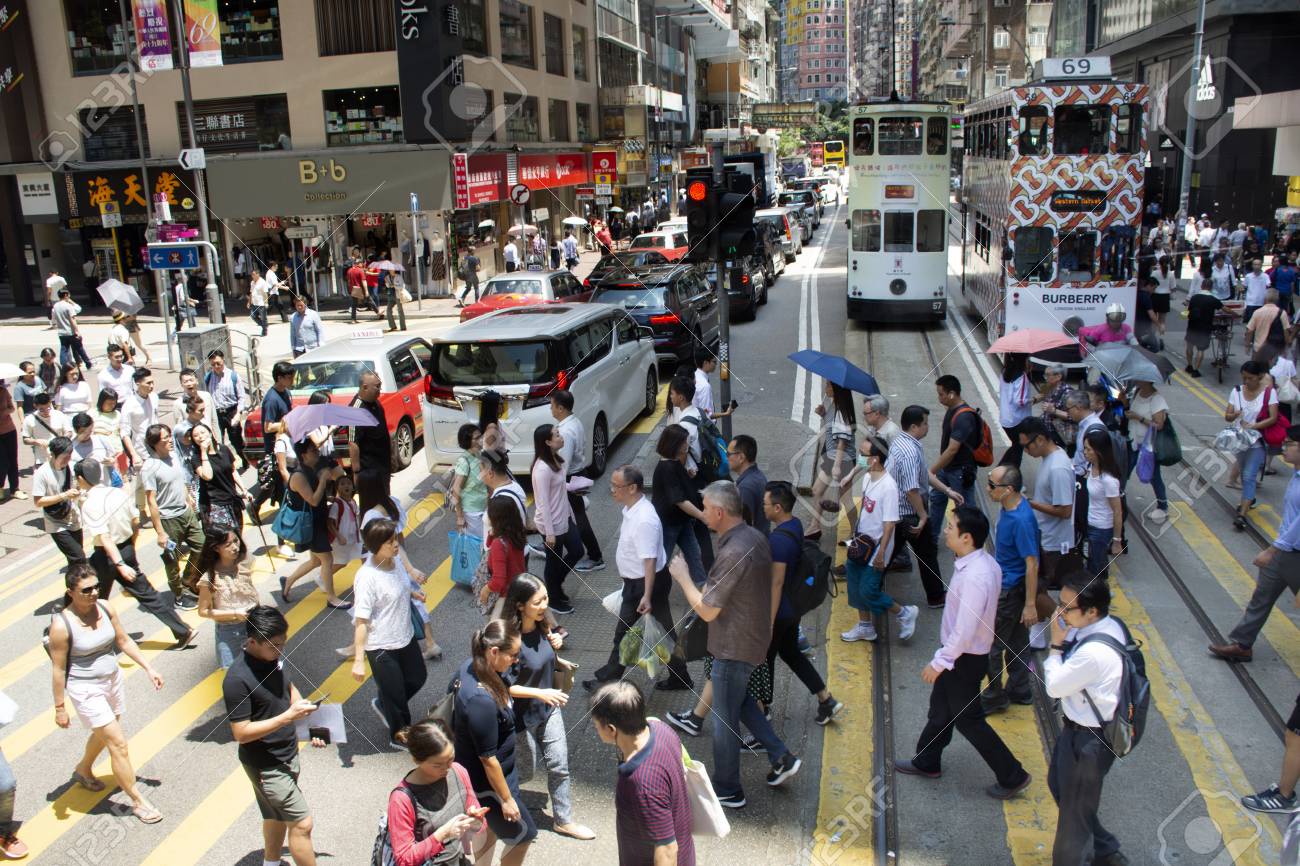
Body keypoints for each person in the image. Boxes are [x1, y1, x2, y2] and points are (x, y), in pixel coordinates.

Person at [667, 481, 803, 809]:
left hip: (733, 646)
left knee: (725, 721)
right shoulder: (754, 536)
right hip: (752, 638)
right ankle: (781, 757)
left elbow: (709, 609)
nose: (701, 514)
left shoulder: (732, 552)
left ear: (719, 512)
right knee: (739, 704)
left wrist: (683, 577)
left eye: (704, 508)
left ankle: (728, 788)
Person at [894, 507, 1032, 800]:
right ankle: (927, 761)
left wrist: (941, 661)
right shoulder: (984, 564)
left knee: (969, 720)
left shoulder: (975, 577)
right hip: (964, 656)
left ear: (966, 537)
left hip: (963, 659)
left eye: (951, 527)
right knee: (941, 710)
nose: (946, 530)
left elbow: (965, 628)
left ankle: (1012, 775)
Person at [47, 563, 165, 824]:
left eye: (96, 587)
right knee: (118, 743)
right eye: (86, 589)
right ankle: (137, 800)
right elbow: (58, 669)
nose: (93, 593)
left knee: (105, 734)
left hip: (112, 680)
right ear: (71, 592)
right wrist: (59, 707)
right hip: (85, 689)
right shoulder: (62, 625)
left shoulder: (105, 606)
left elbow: (123, 640)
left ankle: (83, 769)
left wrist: (149, 668)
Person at [222, 605, 326, 866]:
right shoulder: (236, 679)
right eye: (274, 646)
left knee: (275, 815)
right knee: (302, 824)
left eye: (283, 644)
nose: (280, 650)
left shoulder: (274, 657)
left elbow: (287, 686)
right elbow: (241, 732)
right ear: (252, 641)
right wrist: (288, 717)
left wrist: (307, 719)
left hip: (287, 753)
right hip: (266, 766)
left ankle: (270, 863)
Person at [502, 574, 595, 840]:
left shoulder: (544, 625)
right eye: (538, 601)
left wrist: (556, 645)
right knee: (525, 771)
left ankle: (563, 820)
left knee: (559, 766)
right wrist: (540, 693)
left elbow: (543, 661)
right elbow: (503, 685)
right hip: (519, 718)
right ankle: (497, 795)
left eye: (545, 598)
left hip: (548, 709)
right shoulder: (509, 638)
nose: (544, 605)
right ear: (520, 605)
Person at [1043, 577, 1128, 866]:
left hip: (1089, 740)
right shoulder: (1108, 626)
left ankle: (1090, 856)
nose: (1060, 613)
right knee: (1060, 787)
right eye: (1060, 603)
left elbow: (1054, 686)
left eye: (1067, 608)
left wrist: (1055, 646)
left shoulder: (1095, 653)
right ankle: (1105, 849)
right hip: (1078, 731)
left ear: (1092, 611)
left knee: (1072, 827)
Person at [584, 464, 685, 691]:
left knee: (623, 633)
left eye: (616, 486)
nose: (612, 490)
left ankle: (607, 680)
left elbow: (648, 560)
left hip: (645, 585)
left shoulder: (644, 519)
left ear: (632, 488)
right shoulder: (632, 509)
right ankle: (681, 676)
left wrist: (646, 596)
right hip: (639, 583)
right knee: (664, 630)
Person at [76, 458, 197, 646]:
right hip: (125, 549)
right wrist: (129, 549)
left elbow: (105, 538)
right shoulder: (118, 493)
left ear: (80, 479)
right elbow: (135, 523)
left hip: (107, 557)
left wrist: (119, 564)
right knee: (147, 595)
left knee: (86, 596)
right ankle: (183, 630)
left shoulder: (90, 504)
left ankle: (86, 641)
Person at [1208, 424, 1300, 663]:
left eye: (1290, 443)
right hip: (1285, 551)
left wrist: (1272, 550)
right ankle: (1242, 644)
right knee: (1262, 596)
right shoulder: (1296, 475)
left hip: (1293, 554)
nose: (1284, 448)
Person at [450, 620, 537, 865]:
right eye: (513, 654)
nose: (516, 660)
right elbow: (488, 759)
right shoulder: (481, 699)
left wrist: (540, 693)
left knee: (487, 827)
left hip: (493, 779)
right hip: (489, 784)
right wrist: (507, 800)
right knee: (523, 835)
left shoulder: (473, 667)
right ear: (494, 651)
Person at [764, 480, 844, 724]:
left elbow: (776, 583)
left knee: (764, 659)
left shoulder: (778, 541)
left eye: (765, 504)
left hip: (780, 611)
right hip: (794, 607)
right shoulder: (795, 525)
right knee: (790, 652)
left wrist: (768, 621)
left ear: (778, 508)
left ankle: (763, 710)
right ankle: (825, 699)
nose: (762, 507)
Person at [590, 681, 696, 866]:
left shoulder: (642, 781)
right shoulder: (662, 730)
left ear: (611, 729)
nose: (596, 729)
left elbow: (667, 850)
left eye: (596, 725)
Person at [351, 513, 430, 742]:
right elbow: (361, 621)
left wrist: (413, 592)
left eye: (395, 539)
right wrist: (358, 660)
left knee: (418, 677)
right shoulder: (366, 577)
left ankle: (384, 701)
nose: (396, 545)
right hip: (381, 646)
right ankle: (400, 734)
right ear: (376, 546)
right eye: (390, 542)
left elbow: (397, 586)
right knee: (396, 695)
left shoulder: (393, 562)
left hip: (404, 636)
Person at [840, 435, 919, 643]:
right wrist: (849, 476)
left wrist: (882, 553)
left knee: (868, 590)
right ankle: (865, 626)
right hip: (861, 540)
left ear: (875, 459)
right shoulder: (868, 477)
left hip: (877, 546)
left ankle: (904, 613)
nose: (859, 458)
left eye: (863, 454)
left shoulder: (888, 487)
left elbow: (890, 524)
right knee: (854, 582)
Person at [886, 405, 958, 608]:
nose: (928, 427)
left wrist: (947, 491)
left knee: (891, 552)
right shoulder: (909, 451)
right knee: (926, 554)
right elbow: (911, 489)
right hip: (909, 513)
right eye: (925, 423)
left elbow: (923, 473)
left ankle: (870, 585)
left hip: (899, 512)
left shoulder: (903, 441)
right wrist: (923, 515)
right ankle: (935, 596)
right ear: (915, 426)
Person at [980, 465, 1038, 714]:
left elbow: (1031, 562)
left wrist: (1030, 604)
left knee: (992, 646)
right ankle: (1020, 688)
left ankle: (994, 695)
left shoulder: (1021, 520)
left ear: (1008, 490)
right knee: (1017, 641)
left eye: (992, 485)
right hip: (1010, 586)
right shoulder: (1011, 507)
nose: (988, 489)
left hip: (1009, 590)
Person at [386, 720, 485, 866]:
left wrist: (476, 820)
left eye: (450, 758)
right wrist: (443, 834)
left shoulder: (458, 771)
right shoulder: (401, 800)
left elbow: (477, 820)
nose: (447, 768)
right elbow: (403, 859)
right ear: (416, 760)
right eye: (437, 765)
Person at [1018, 417, 1079, 644]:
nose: (1025, 450)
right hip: (1044, 536)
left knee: (1034, 589)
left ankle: (1066, 627)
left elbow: (1064, 510)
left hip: (1053, 542)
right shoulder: (1049, 458)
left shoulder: (1058, 468)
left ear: (1041, 439)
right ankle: (1042, 629)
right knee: (1034, 587)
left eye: (1027, 445)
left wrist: (1030, 503)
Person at [279, 439, 350, 608]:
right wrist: (323, 480)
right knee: (327, 559)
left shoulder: (310, 469)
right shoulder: (298, 476)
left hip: (317, 520)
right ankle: (332, 598)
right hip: (309, 524)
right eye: (312, 450)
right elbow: (312, 500)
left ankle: (288, 580)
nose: (317, 451)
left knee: (315, 561)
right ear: (304, 455)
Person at [141, 424, 204, 609]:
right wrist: (160, 532)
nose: (170, 440)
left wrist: (189, 499)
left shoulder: (174, 457)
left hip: (186, 512)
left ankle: (188, 579)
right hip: (168, 519)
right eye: (165, 439)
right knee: (172, 559)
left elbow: (181, 481)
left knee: (202, 546)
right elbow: (151, 501)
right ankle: (178, 595)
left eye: (169, 436)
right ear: (154, 444)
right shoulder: (149, 468)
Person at [531, 424, 582, 614]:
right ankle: (553, 597)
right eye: (557, 435)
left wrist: (571, 511)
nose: (561, 437)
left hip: (564, 518)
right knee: (553, 562)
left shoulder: (555, 459)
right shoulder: (542, 469)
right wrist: (550, 534)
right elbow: (543, 503)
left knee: (576, 551)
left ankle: (554, 587)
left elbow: (559, 490)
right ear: (547, 442)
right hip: (550, 525)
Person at [551, 390, 603, 571]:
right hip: (579, 473)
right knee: (572, 516)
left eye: (552, 405)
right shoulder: (575, 421)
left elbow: (563, 463)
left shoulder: (565, 431)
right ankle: (555, 546)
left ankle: (595, 556)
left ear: (560, 408)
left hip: (570, 477)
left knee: (577, 518)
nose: (551, 409)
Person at [649, 425, 708, 587]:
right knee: (663, 559)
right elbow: (679, 500)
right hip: (669, 524)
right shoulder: (667, 468)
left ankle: (703, 589)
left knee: (694, 555)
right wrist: (702, 515)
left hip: (681, 522)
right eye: (684, 442)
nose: (687, 445)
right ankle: (649, 591)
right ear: (674, 444)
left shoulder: (674, 463)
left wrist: (687, 476)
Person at [195, 527, 261, 670]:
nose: (235, 547)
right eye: (228, 545)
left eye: (236, 541)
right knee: (235, 674)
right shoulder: (209, 578)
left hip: (255, 622)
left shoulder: (245, 560)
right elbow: (203, 611)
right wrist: (235, 613)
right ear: (216, 548)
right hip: (230, 631)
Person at [1226, 360, 1280, 530]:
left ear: (1260, 377)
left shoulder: (1269, 393)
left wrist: (1254, 426)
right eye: (1244, 378)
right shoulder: (1236, 391)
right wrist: (1234, 414)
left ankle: (1242, 514)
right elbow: (1227, 416)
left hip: (1257, 441)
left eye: (1250, 378)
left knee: (1249, 476)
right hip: (1240, 440)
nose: (1246, 382)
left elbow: (1273, 417)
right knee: (1243, 473)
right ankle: (1248, 499)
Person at [929, 375, 982, 544]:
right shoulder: (952, 410)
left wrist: (932, 470)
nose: (939, 398)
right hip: (948, 469)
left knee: (964, 508)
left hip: (960, 471)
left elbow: (952, 450)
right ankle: (932, 537)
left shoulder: (963, 417)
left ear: (952, 394)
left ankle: (970, 542)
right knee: (937, 499)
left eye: (941, 394)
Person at [808, 380, 857, 538]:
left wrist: (836, 466)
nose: (825, 388)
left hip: (842, 459)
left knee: (846, 499)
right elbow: (832, 430)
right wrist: (823, 414)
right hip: (833, 457)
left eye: (829, 385)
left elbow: (842, 441)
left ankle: (856, 532)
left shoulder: (841, 411)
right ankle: (815, 526)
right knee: (817, 490)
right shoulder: (833, 406)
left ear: (836, 389)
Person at [32, 437, 85, 568]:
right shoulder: (42, 473)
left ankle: (76, 587)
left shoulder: (73, 467)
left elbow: (81, 485)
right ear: (53, 455)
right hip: (56, 522)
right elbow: (38, 502)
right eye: (64, 457)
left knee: (75, 561)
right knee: (79, 557)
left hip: (74, 518)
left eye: (69, 456)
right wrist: (64, 496)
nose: (67, 460)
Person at [190, 423, 252, 531]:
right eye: (195, 435)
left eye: (202, 432)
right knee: (225, 540)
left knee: (237, 537)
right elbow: (207, 476)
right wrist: (204, 452)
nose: (200, 436)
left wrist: (244, 490)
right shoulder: (196, 458)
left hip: (232, 500)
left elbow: (233, 471)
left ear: (210, 433)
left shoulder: (224, 449)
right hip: (214, 505)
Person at [1124, 379, 1170, 521]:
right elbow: (1129, 410)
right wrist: (1124, 402)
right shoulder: (1137, 392)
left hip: (1148, 446)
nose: (1135, 379)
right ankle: (1116, 498)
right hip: (1133, 440)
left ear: (1147, 380)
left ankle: (1163, 506)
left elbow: (1159, 425)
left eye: (1138, 377)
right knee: (1124, 470)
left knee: (1154, 475)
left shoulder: (1157, 399)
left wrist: (1139, 418)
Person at [1081, 429, 1123, 582]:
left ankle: (1099, 599)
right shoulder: (1091, 467)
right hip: (1089, 524)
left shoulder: (1109, 480)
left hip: (1101, 529)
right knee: (1093, 565)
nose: (1085, 452)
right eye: (1084, 448)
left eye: (1088, 449)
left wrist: (1117, 541)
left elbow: (1117, 511)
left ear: (1099, 451)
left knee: (1096, 569)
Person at [350, 369, 393, 507]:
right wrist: (356, 472)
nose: (380, 389)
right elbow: (353, 443)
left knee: (386, 502)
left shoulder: (376, 403)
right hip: (369, 470)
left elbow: (384, 431)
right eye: (377, 386)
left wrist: (392, 456)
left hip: (383, 466)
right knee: (372, 506)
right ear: (365, 387)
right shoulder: (356, 410)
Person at [481, 496, 529, 616]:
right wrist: (493, 533)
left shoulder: (499, 543)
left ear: (496, 518)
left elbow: (499, 580)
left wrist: (485, 590)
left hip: (505, 599)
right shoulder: (516, 534)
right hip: (520, 589)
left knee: (495, 632)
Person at [206, 350, 250, 471]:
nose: (216, 367)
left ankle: (244, 459)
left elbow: (241, 397)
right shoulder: (209, 377)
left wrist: (238, 414)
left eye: (218, 363)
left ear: (223, 360)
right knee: (217, 441)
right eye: (213, 364)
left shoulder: (233, 376)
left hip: (231, 412)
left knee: (235, 441)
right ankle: (225, 467)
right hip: (216, 414)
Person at [450, 423, 489, 540]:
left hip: (484, 509)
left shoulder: (479, 456)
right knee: (479, 547)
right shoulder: (464, 461)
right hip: (472, 514)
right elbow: (455, 490)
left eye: (481, 436)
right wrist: (460, 516)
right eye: (477, 438)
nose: (481, 440)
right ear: (468, 441)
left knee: (486, 546)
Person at [1184, 279, 1228, 378]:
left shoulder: (1194, 297)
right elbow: (1224, 308)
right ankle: (1196, 370)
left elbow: (1189, 310)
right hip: (1205, 327)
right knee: (1201, 349)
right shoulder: (1213, 299)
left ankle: (1189, 365)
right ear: (1211, 287)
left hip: (1192, 325)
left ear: (1201, 286)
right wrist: (1235, 313)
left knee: (1189, 346)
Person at [728, 434, 770, 535]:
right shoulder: (759, 476)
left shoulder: (745, 488)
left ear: (741, 458)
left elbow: (743, 527)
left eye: (728, 454)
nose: (726, 457)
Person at [118, 367, 158, 471]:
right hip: (142, 451)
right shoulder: (129, 405)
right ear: (138, 383)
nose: (151, 386)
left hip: (158, 447)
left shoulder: (154, 398)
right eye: (148, 383)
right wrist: (134, 454)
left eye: (152, 382)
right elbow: (124, 433)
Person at [998, 354, 1034, 469]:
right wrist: (1035, 399)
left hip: (1006, 419)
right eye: (1028, 359)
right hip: (1017, 421)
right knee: (1018, 449)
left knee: (1016, 446)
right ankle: (1011, 478)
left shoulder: (1004, 372)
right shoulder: (1021, 377)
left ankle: (999, 471)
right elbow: (1020, 401)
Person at [21, 392, 71, 469]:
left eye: (48, 408)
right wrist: (37, 441)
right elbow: (25, 439)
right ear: (35, 406)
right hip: (42, 459)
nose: (46, 412)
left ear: (50, 403)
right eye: (41, 409)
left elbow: (69, 432)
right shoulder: (29, 419)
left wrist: (62, 441)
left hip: (61, 457)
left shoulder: (59, 415)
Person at [1245, 289, 1293, 367]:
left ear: (1265, 299)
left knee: (1257, 372)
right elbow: (1286, 331)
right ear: (1277, 300)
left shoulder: (1257, 312)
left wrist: (1247, 345)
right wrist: (1287, 344)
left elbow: (1250, 331)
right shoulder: (1282, 313)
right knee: (1273, 373)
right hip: (1275, 348)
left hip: (1259, 348)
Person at [52, 289, 93, 371]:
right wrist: (77, 331)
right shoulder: (68, 306)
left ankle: (64, 365)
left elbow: (54, 318)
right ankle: (88, 363)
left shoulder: (55, 306)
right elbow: (72, 319)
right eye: (68, 294)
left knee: (64, 349)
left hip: (61, 332)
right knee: (79, 348)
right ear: (66, 295)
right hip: (71, 332)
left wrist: (54, 324)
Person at [0, 380, 18, 503]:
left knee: (13, 460)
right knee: (3, 463)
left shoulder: (3, 391)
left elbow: (12, 408)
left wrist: (5, 411)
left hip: (9, 429)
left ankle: (14, 489)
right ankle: (0, 487)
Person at [1244, 258, 1272, 323]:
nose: (1257, 266)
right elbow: (1244, 287)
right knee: (1251, 322)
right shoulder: (1248, 276)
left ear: (1261, 265)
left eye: (1258, 264)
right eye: (1255, 264)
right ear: (1252, 266)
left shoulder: (1265, 276)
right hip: (1250, 302)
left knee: (1261, 322)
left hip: (1261, 302)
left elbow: (1268, 286)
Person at [249, 268, 269, 336]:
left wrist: (266, 303)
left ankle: (264, 330)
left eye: (254, 274)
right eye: (252, 275)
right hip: (254, 303)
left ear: (258, 274)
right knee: (253, 316)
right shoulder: (252, 282)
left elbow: (265, 293)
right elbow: (251, 292)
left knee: (263, 318)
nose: (253, 276)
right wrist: (249, 302)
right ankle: (264, 326)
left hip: (261, 303)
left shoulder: (262, 282)